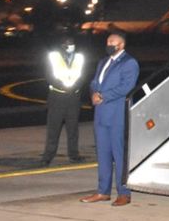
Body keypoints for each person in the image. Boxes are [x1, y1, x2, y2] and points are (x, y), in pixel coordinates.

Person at [80, 32, 139, 207]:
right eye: (107, 41)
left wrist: (103, 96)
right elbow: (94, 82)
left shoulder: (129, 62)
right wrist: (93, 94)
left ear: (121, 45)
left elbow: (126, 87)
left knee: (119, 154)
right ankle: (102, 191)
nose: (108, 44)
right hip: (100, 114)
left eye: (112, 42)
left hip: (117, 115)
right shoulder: (103, 62)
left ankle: (124, 192)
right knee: (103, 153)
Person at [40, 36, 85, 166]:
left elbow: (83, 74)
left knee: (73, 128)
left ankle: (74, 155)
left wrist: (75, 87)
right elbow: (49, 75)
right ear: (62, 46)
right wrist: (62, 86)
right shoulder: (53, 57)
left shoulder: (79, 57)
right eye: (68, 44)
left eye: (72, 43)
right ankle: (48, 156)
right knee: (53, 128)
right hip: (57, 97)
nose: (71, 46)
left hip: (74, 98)